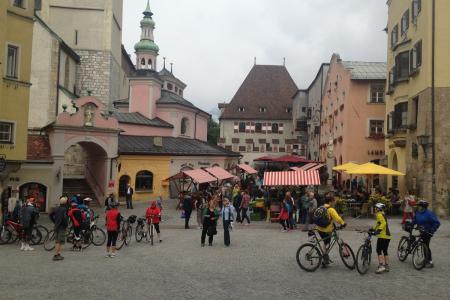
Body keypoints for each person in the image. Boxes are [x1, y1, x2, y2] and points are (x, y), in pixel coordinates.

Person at [314, 196, 346, 266]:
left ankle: (325, 257)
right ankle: (324, 259)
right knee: (327, 244)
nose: (334, 203)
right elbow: (337, 218)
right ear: (330, 202)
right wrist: (343, 223)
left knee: (325, 242)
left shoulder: (321, 207)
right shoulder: (331, 209)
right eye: (333, 201)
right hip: (326, 230)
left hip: (319, 228)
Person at [411, 200, 440, 268]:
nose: (417, 207)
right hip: (421, 230)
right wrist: (410, 224)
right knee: (415, 240)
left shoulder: (429, 214)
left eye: (419, 206)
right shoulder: (418, 212)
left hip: (428, 232)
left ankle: (429, 261)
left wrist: (432, 231)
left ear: (423, 207)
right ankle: (425, 259)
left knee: (426, 246)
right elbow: (415, 220)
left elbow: (437, 223)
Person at [373, 203, 391, 274]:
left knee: (378, 250)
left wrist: (378, 230)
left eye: (376, 208)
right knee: (385, 250)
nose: (375, 209)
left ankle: (381, 266)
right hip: (388, 236)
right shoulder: (383, 214)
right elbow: (379, 224)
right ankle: (386, 266)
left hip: (383, 235)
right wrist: (374, 229)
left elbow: (383, 223)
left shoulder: (379, 214)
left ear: (379, 209)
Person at [52, 196, 69, 261]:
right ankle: (56, 255)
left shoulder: (57, 208)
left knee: (58, 241)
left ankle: (58, 253)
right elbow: (64, 218)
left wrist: (54, 221)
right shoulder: (64, 209)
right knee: (59, 241)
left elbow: (50, 215)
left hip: (56, 226)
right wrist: (66, 225)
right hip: (62, 227)